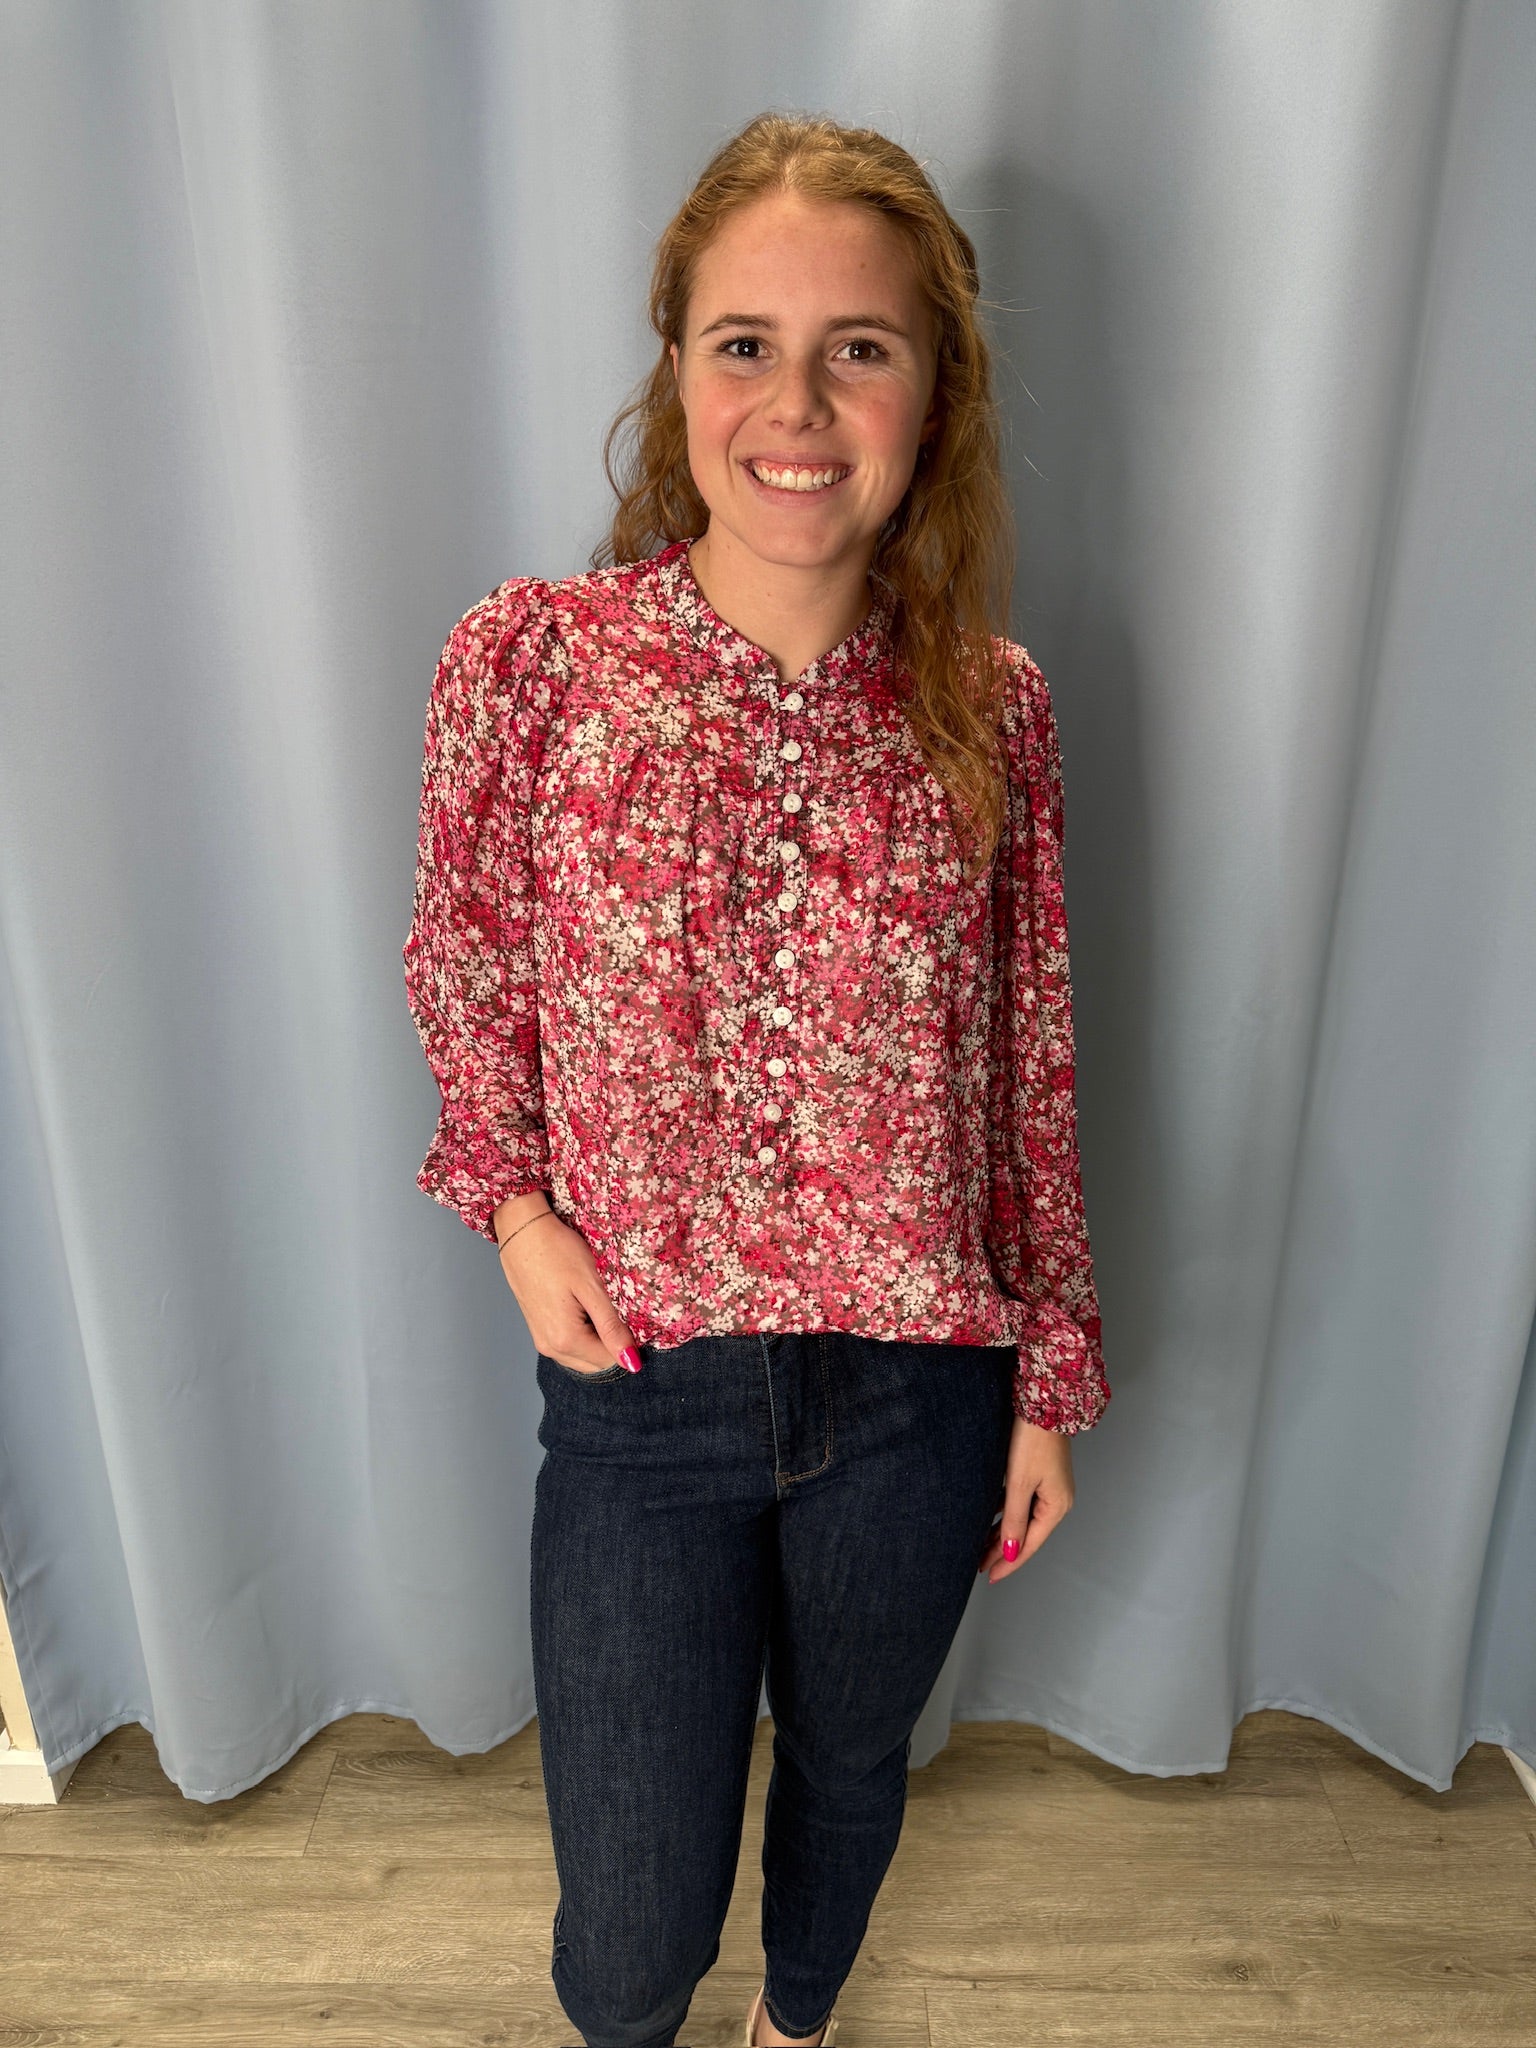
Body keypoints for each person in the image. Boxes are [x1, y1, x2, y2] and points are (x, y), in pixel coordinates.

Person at [403, 109, 1110, 2048]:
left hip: (921, 1396)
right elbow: (466, 965)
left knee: (854, 1772)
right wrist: (519, 1210)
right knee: (629, 1933)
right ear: (680, 368)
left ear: (929, 390)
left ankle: (802, 2021)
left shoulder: (997, 702)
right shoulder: (533, 663)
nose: (798, 402)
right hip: (647, 1397)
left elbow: (1028, 1051)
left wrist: (1043, 1372)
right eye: (745, 342)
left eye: (858, 346)